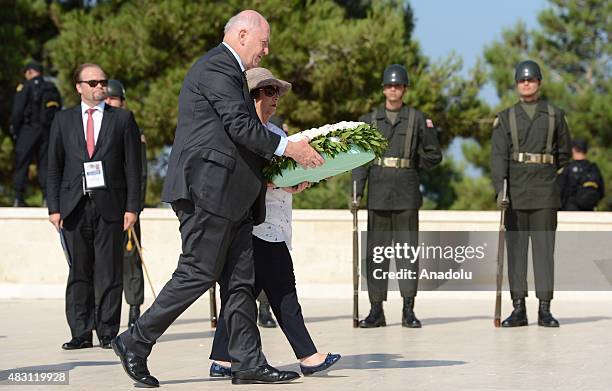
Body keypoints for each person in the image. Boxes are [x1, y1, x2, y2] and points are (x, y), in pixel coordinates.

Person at [112, 10, 323, 387]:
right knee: (198, 272)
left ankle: (247, 364)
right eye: (263, 42)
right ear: (242, 35)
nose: (267, 50)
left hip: (236, 198)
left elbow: (235, 141)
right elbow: (241, 127)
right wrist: (290, 148)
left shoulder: (232, 74)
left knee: (241, 283)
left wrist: (280, 178)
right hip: (207, 194)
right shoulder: (216, 68)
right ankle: (135, 340)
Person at [209, 67, 341, 378]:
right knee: (283, 290)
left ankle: (222, 358)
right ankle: (309, 356)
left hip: (276, 225)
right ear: (252, 96)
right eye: (269, 92)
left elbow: (282, 176)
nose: (276, 98)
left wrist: (299, 181)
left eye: (277, 92)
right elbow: (242, 174)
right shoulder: (242, 131)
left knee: (243, 294)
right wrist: (273, 182)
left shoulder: (280, 135)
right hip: (253, 226)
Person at [47, 63, 141, 350]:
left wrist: (133, 207)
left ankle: (108, 331)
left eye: (103, 82)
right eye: (93, 82)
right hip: (73, 206)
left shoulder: (122, 119)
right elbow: (54, 166)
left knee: (110, 271)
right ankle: (80, 331)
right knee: (79, 271)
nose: (99, 86)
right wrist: (54, 207)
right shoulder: (62, 121)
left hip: (110, 206)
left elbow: (133, 168)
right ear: (79, 87)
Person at [352, 64, 442, 328]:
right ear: (384, 89)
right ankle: (376, 310)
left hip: (406, 192)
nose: (394, 89)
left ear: (404, 89)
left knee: (407, 253)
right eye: (389, 86)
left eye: (398, 86)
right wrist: (357, 193)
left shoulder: (416, 118)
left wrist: (413, 164)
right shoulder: (369, 121)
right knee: (376, 253)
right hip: (379, 191)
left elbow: (433, 155)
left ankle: (408, 309)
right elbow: (360, 160)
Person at [491, 60, 572, 328]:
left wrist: (548, 175)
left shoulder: (554, 115)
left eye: (531, 79)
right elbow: (498, 158)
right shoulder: (505, 118)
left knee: (544, 251)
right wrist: (501, 191)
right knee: (516, 252)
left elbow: (564, 154)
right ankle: (519, 309)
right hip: (515, 192)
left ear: (539, 82)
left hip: (545, 192)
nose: (526, 83)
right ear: (516, 84)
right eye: (522, 80)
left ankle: (545, 309)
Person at [104, 79, 147, 328]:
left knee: (131, 260)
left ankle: (134, 308)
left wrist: (135, 207)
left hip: (128, 208)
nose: (110, 102)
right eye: (107, 98)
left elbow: (140, 173)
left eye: (114, 98)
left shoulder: (131, 130)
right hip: (104, 206)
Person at [11, 61, 61, 207]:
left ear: (29, 72)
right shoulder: (51, 87)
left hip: (28, 129)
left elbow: (17, 111)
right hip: (47, 131)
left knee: (22, 163)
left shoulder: (25, 87)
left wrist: (15, 129)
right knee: (45, 164)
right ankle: (47, 198)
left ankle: (18, 198)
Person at [558, 138, 604, 211]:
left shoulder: (567, 168)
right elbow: (601, 191)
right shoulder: (593, 168)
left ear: (573, 149)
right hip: (589, 210)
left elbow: (561, 190)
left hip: (570, 211)